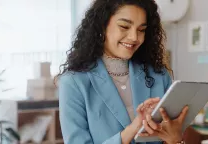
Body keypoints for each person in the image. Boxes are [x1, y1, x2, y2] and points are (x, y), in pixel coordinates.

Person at [55, 0, 189, 144]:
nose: (134, 37)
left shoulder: (158, 75)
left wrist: (175, 139)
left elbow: (171, 136)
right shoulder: (74, 82)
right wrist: (134, 128)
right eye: (124, 26)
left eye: (141, 30)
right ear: (102, 25)